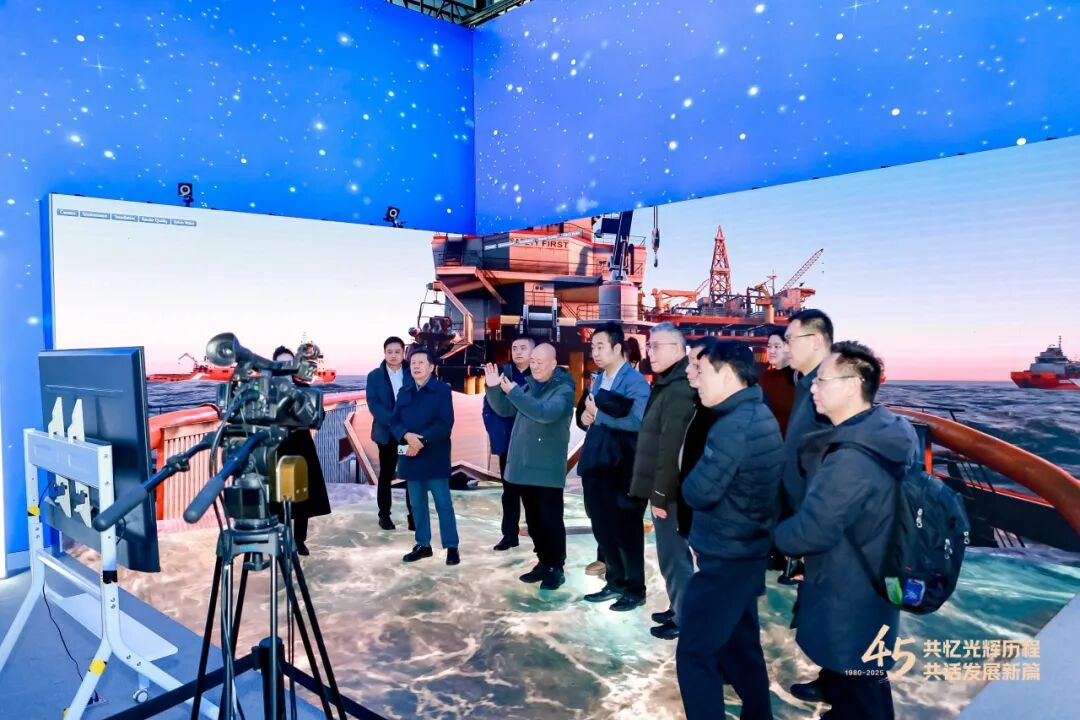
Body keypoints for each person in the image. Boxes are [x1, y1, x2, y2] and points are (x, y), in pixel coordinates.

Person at [774, 341, 917, 719]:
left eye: (822, 380)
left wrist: (775, 537)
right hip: (878, 568)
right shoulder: (889, 429)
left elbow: (813, 530)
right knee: (864, 668)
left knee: (860, 677)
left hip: (852, 582)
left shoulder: (851, 457)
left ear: (853, 385)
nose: (813, 387)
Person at [676, 342, 783, 720]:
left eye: (703, 372)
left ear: (726, 373)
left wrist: (686, 480)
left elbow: (697, 491)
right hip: (746, 548)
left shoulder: (733, 427)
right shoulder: (759, 413)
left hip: (727, 556)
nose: (697, 380)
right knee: (741, 648)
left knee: (694, 653)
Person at [777, 309, 836, 700]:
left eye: (790, 340)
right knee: (818, 600)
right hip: (804, 514)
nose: (785, 347)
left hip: (820, 519)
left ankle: (843, 687)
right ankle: (832, 678)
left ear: (815, 341)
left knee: (832, 601)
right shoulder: (806, 384)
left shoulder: (826, 388)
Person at [484, 343, 576, 591]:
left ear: (553, 364)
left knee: (550, 521)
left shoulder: (563, 389)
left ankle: (556, 567)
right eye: (532, 361)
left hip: (546, 470)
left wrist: (514, 392)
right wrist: (494, 387)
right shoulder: (529, 386)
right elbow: (505, 408)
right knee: (534, 521)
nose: (534, 366)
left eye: (539, 361)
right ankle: (544, 561)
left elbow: (545, 413)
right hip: (525, 467)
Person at [628, 323, 696, 640]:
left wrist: (658, 494)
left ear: (678, 349)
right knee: (670, 555)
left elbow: (671, 448)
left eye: (656, 346)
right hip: (667, 488)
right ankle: (677, 606)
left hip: (671, 492)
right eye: (649, 345)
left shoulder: (679, 388)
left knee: (674, 556)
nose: (650, 352)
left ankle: (685, 617)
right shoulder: (669, 382)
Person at [578, 322, 652, 612]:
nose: (595, 352)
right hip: (599, 463)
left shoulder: (634, 382)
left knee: (627, 529)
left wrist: (598, 417)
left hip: (623, 467)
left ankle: (635, 589)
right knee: (603, 526)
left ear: (617, 348)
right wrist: (586, 418)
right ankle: (616, 581)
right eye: (592, 347)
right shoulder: (598, 379)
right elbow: (593, 416)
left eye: (600, 346)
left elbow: (638, 421)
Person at [391, 348, 460, 565]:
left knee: (443, 504)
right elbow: (394, 421)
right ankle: (423, 545)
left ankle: (451, 546)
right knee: (417, 504)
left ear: (431, 367)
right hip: (410, 456)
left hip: (434, 455)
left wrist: (420, 441)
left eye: (421, 362)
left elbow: (445, 423)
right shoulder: (404, 391)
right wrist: (406, 436)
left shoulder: (442, 390)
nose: (416, 366)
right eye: (413, 363)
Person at [270, 346, 331, 556]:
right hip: (276, 446)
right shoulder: (266, 389)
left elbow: (318, 417)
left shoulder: (304, 388)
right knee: (277, 495)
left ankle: (299, 539)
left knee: (303, 494)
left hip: (301, 445)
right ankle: (282, 537)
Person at [481, 335, 535, 551]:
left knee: (532, 492)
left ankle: (537, 533)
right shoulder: (502, 373)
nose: (518, 352)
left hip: (531, 443)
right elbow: (489, 407)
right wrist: (495, 432)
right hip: (508, 441)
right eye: (514, 348)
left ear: (533, 351)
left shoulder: (539, 374)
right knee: (509, 491)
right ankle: (509, 534)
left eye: (523, 347)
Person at [366, 336, 413, 531]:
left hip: (408, 434)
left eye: (397, 351)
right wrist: (393, 421)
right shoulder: (375, 376)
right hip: (387, 435)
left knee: (411, 474)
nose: (393, 355)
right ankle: (384, 515)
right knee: (386, 474)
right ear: (384, 353)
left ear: (404, 353)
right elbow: (373, 403)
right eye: (389, 352)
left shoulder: (412, 372)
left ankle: (414, 516)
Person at [759, 330, 796, 438]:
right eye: (769, 346)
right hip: (768, 439)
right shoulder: (765, 376)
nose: (771, 351)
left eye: (777, 346)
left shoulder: (798, 377)